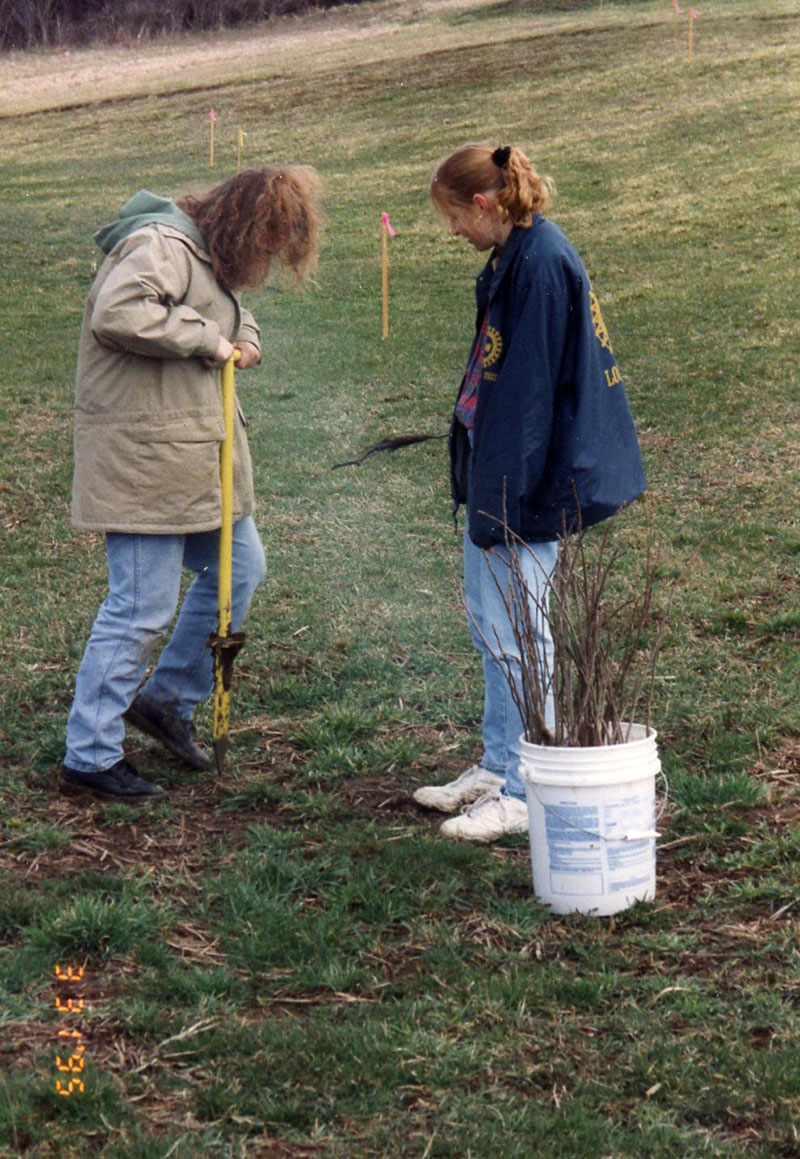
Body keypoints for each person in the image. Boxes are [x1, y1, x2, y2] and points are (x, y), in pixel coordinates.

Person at [61, 166, 322, 800]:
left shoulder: (202, 256)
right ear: (241, 226)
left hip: (195, 462)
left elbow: (225, 315)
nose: (263, 261)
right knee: (139, 609)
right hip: (145, 463)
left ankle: (166, 700)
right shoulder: (160, 244)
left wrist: (243, 339)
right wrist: (212, 342)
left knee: (241, 567)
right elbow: (120, 312)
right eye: (264, 245)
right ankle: (88, 756)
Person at [413, 143, 646, 842]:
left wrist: (503, 500)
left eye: (455, 216)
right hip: (501, 471)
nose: (454, 230)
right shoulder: (514, 255)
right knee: (492, 627)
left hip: (527, 483)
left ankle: (525, 786)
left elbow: (532, 395)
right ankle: (495, 761)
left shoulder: (542, 263)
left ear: (484, 205)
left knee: (522, 633)